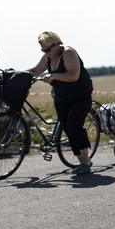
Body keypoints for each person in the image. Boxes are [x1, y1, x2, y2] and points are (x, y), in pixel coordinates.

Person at [27, 31, 94, 174]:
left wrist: (54, 75)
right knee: (67, 128)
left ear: (57, 44)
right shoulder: (49, 56)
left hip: (80, 96)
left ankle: (86, 160)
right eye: (43, 50)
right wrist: (18, 74)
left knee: (73, 125)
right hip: (62, 98)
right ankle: (81, 160)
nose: (45, 52)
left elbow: (73, 76)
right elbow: (36, 70)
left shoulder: (68, 53)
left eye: (48, 49)